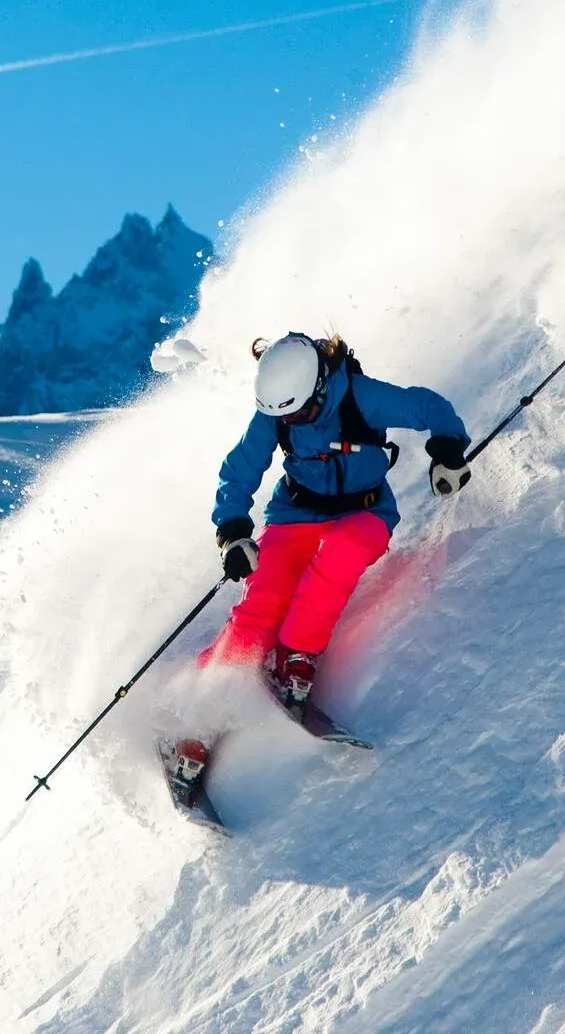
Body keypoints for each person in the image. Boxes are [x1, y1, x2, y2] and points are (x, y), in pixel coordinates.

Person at [168, 331, 472, 803]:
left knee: (340, 557)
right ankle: (194, 722)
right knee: (261, 603)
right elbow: (240, 468)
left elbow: (430, 408)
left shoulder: (362, 398)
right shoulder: (276, 414)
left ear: (319, 389)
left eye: (299, 412)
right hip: (295, 512)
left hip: (364, 512)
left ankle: (297, 657)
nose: (291, 420)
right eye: (282, 415)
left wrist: (447, 453)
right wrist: (232, 530)